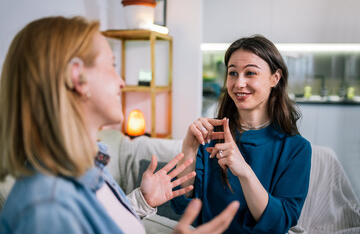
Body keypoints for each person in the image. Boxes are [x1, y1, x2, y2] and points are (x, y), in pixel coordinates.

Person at [0, 16, 239, 234]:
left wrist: (142, 201)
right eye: (112, 66)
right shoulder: (49, 207)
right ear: (78, 78)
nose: (122, 82)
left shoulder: (90, 167)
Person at [172, 35, 312, 234]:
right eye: (233, 73)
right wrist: (189, 149)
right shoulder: (210, 136)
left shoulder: (296, 148)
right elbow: (182, 208)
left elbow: (279, 224)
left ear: (275, 78)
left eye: (251, 73)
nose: (239, 83)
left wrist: (244, 171)